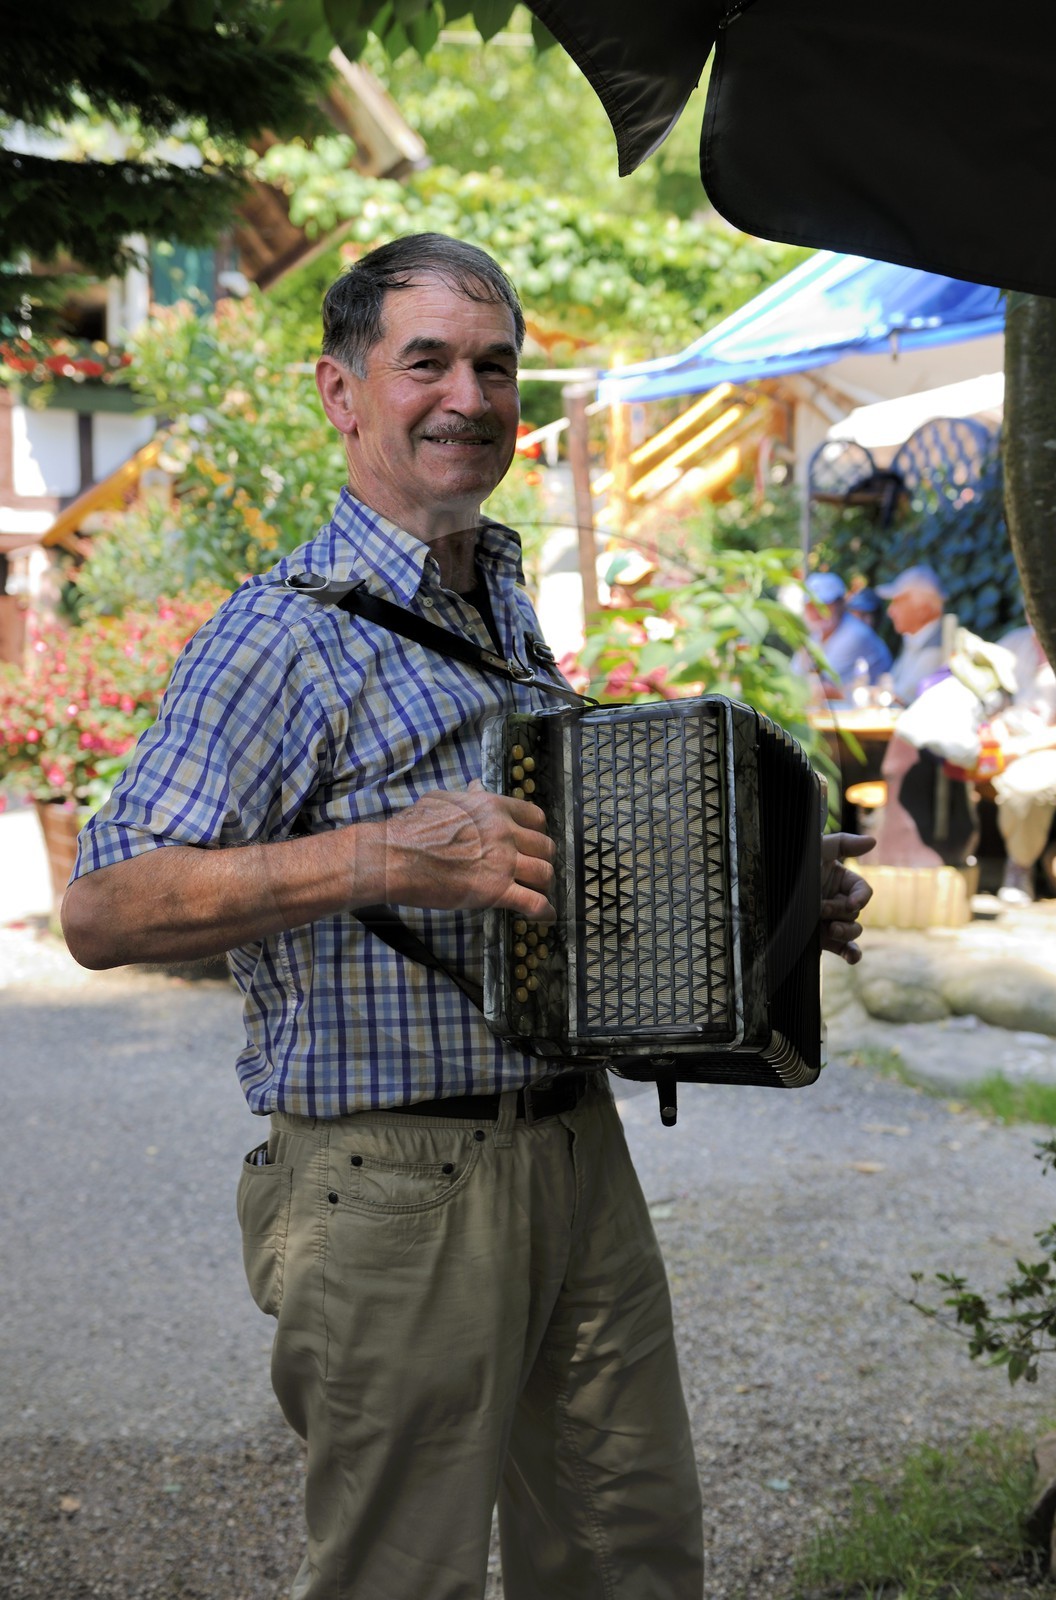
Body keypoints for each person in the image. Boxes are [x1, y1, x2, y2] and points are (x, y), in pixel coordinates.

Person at [60, 234, 874, 1600]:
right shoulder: (282, 634)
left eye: (493, 366)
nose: (468, 396)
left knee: (630, 1558)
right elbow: (104, 907)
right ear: (340, 393)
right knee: (401, 1578)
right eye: (424, 360)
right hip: (390, 1187)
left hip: (575, 1152)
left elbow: (559, 891)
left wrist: (771, 907)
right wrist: (373, 854)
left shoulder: (496, 600)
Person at [988, 623, 1056, 903]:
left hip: (1051, 748)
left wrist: (1020, 748)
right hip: (1002, 744)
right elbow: (986, 694)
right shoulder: (1013, 642)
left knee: (1027, 786)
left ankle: (1019, 868)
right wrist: (993, 725)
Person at [792, 571, 892, 701]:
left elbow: (819, 689)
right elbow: (793, 676)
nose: (816, 612)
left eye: (823, 605)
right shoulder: (818, 634)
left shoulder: (855, 634)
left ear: (841, 604)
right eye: (811, 605)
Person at [876, 563, 946, 705]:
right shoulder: (915, 639)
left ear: (923, 610)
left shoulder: (936, 647)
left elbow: (900, 700)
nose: (890, 611)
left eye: (897, 602)